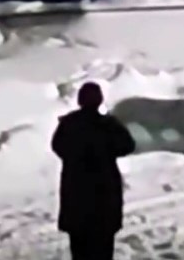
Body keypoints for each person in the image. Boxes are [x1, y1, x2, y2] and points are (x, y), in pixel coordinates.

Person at [51, 82, 135, 260]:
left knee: (79, 248)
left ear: (80, 100)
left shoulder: (69, 124)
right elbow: (128, 145)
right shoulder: (108, 125)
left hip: (76, 194)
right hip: (103, 196)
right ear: (99, 100)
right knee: (103, 247)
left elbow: (57, 146)